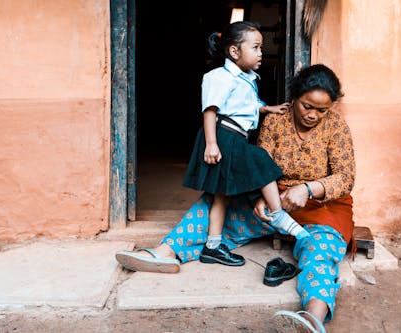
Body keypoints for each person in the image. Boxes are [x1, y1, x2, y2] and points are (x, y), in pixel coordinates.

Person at [116, 63, 355, 333]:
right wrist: (259, 198)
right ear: (295, 97)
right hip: (276, 203)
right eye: (306, 106)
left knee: (318, 252)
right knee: (214, 203)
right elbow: (258, 165)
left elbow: (345, 177)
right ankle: (165, 253)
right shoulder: (276, 120)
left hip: (321, 209)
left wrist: (308, 189)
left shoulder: (336, 127)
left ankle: (312, 317)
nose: (313, 115)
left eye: (322, 110)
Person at [182, 21, 309, 267]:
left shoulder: (247, 77)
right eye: (256, 47)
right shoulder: (218, 77)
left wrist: (267, 108)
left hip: (234, 136)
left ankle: (212, 247)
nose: (261, 53)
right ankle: (277, 214)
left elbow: (245, 105)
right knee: (261, 161)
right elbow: (210, 111)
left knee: (221, 196)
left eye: (261, 48)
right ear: (234, 52)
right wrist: (211, 144)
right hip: (223, 135)